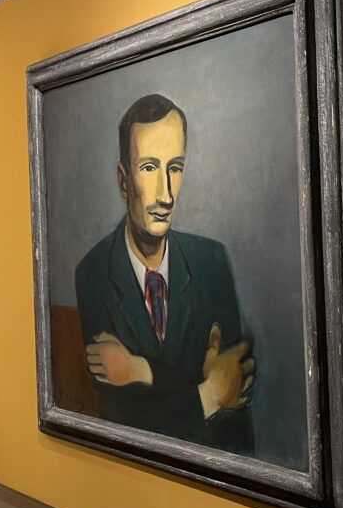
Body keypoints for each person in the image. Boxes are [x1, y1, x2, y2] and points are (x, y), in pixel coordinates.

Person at [74, 94, 255, 455]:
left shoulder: (212, 262)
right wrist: (208, 393)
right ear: (124, 181)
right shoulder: (94, 273)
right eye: (149, 168)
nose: (166, 195)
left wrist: (141, 371)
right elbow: (125, 422)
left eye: (175, 168)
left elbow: (236, 408)